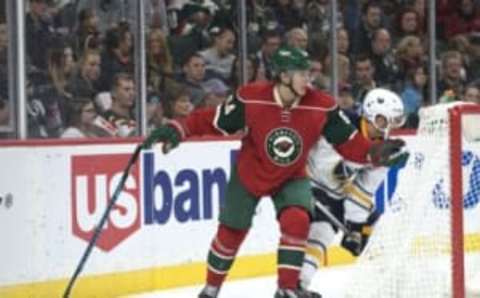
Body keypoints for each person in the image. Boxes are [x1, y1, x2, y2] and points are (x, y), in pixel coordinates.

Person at [142, 46, 408, 298]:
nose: (309, 79)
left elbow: (350, 144)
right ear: (283, 76)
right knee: (231, 232)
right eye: (302, 74)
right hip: (251, 172)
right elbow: (212, 120)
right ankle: (211, 289)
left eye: (309, 73)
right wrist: (179, 129)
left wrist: (376, 154)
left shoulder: (321, 105)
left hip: (292, 175)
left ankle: (287, 289)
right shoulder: (251, 97)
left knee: (298, 219)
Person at [299, 88, 407, 293]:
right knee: (299, 229)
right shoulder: (341, 123)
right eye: (385, 121)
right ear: (370, 113)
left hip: (334, 193)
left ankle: (299, 284)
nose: (387, 128)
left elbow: (363, 191)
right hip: (304, 180)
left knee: (323, 234)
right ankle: (291, 282)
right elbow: (325, 163)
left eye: (394, 122)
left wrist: (355, 230)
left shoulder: (386, 150)